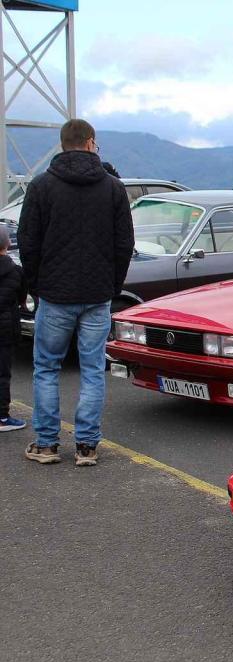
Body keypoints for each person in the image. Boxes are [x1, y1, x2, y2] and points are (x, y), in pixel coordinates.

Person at [16, 118, 134, 465]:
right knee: (93, 368)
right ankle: (86, 445)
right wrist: (112, 285)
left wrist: (37, 284)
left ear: (62, 144)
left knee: (47, 368)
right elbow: (124, 243)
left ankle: (47, 443)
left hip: (54, 294)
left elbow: (28, 242)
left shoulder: (41, 187)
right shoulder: (113, 188)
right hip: (97, 294)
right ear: (90, 143)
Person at [0, 226, 27, 432]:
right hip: (4, 328)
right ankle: (2, 417)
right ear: (7, 244)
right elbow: (21, 299)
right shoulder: (15, 271)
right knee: (2, 373)